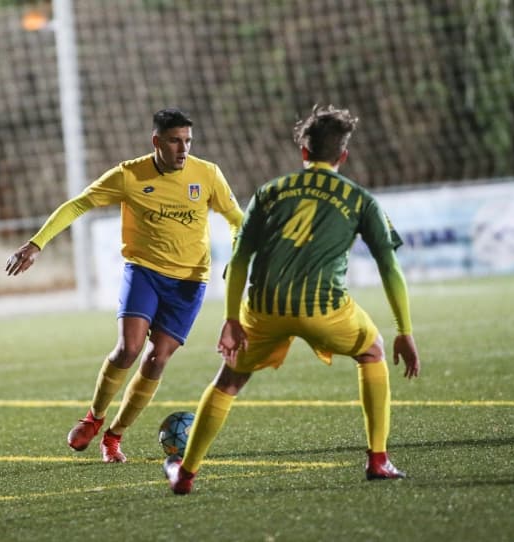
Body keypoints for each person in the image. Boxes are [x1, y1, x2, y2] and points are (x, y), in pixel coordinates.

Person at [164, 104, 421, 494]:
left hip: (263, 309)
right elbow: (389, 266)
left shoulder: (269, 192)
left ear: (303, 151)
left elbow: (239, 260)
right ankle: (378, 460)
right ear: (343, 156)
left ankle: (185, 475)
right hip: (325, 310)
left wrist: (232, 318)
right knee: (372, 351)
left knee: (229, 379)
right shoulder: (360, 199)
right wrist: (405, 329)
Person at [6, 108, 243, 463]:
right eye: (175, 141)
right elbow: (79, 204)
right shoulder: (129, 175)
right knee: (128, 349)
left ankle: (113, 436)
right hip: (145, 271)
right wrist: (37, 243)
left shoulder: (207, 174)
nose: (183, 150)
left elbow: (237, 220)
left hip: (189, 282)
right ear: (156, 142)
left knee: (157, 359)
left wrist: (238, 258)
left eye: (188, 141)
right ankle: (93, 418)